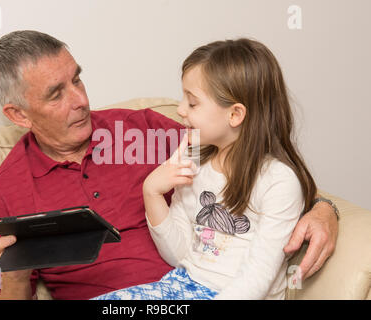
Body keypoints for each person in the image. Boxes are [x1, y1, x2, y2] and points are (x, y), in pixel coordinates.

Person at [0, 30, 339, 300]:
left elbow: (249, 162)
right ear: (18, 114)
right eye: (56, 94)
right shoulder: (5, 196)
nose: (82, 100)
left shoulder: (141, 131)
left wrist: (324, 208)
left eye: (77, 79)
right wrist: (15, 276)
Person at [94, 38, 326, 300]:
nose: (180, 110)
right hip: (182, 286)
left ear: (235, 115)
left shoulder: (279, 181)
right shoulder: (194, 163)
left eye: (193, 103)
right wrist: (152, 192)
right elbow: (179, 256)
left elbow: (258, 278)